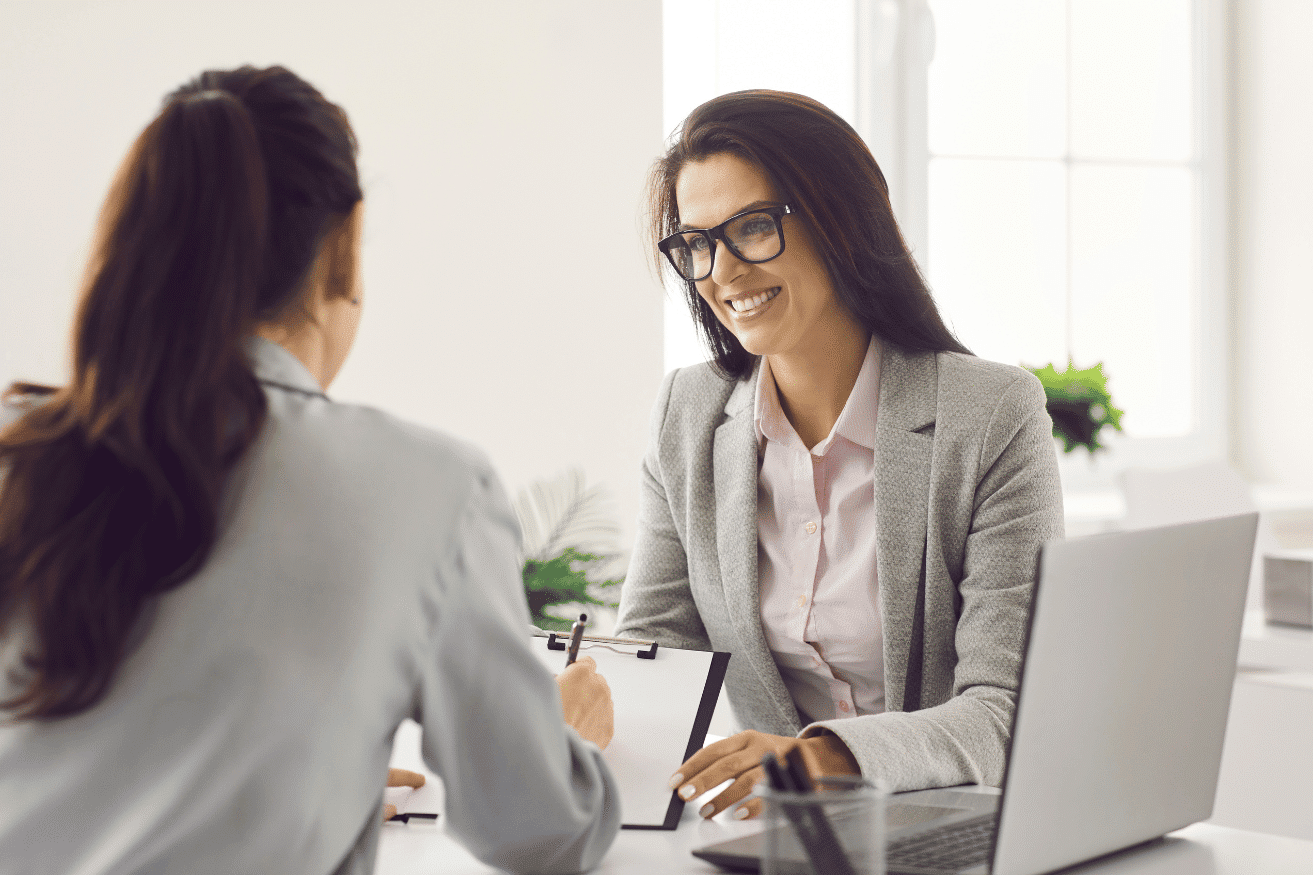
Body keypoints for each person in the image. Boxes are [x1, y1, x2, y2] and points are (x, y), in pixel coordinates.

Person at [0, 66, 619, 874]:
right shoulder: (429, 488)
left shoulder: (22, 451)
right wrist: (562, 742)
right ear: (346, 247)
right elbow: (537, 830)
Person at [613, 90, 1064, 820]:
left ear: (841, 220)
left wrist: (823, 758)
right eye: (696, 243)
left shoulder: (990, 414)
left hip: (956, 827)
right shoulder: (687, 415)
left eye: (753, 226)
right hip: (788, 839)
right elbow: (654, 656)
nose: (721, 272)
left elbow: (1007, 707)